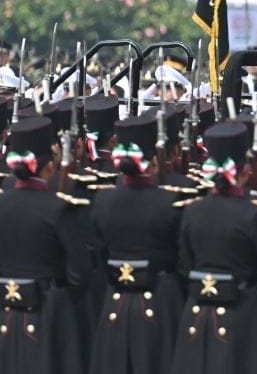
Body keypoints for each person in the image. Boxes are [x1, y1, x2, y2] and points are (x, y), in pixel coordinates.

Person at [170, 121, 257, 374]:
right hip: (244, 314)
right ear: (245, 170)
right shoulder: (255, 214)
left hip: (198, 312)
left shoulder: (192, 211)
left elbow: (184, 266)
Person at [0, 116, 93, 374]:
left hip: (6, 308)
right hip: (49, 311)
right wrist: (61, 296)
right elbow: (80, 270)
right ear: (49, 167)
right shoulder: (58, 209)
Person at [88, 113, 183, 374]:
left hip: (115, 300)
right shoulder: (171, 202)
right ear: (155, 159)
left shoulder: (102, 200)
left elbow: (100, 254)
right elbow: (181, 259)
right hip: (162, 300)